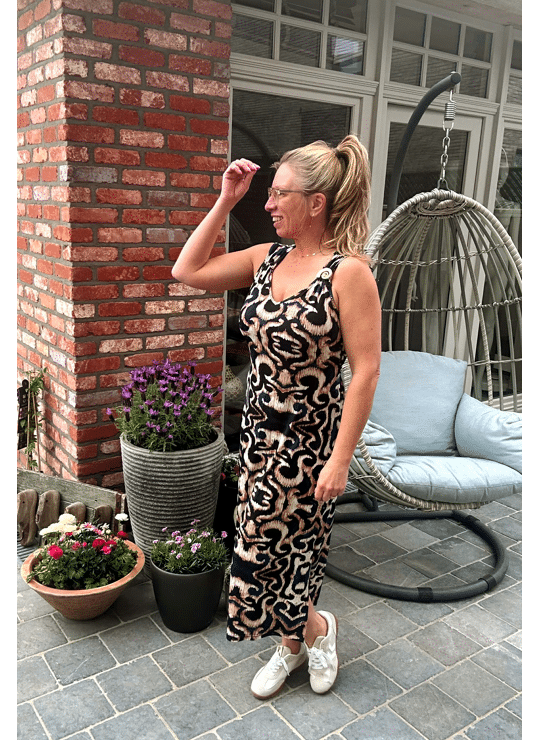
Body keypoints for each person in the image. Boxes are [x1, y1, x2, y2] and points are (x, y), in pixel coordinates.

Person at [172, 135, 381, 699]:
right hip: (259, 436)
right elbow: (186, 270)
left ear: (316, 203)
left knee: (290, 555)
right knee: (260, 549)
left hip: (310, 445)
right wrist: (225, 200)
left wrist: (341, 460)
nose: (267, 203)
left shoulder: (349, 274)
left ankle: (310, 634)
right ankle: (300, 639)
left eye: (279, 193)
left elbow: (366, 371)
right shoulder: (266, 258)